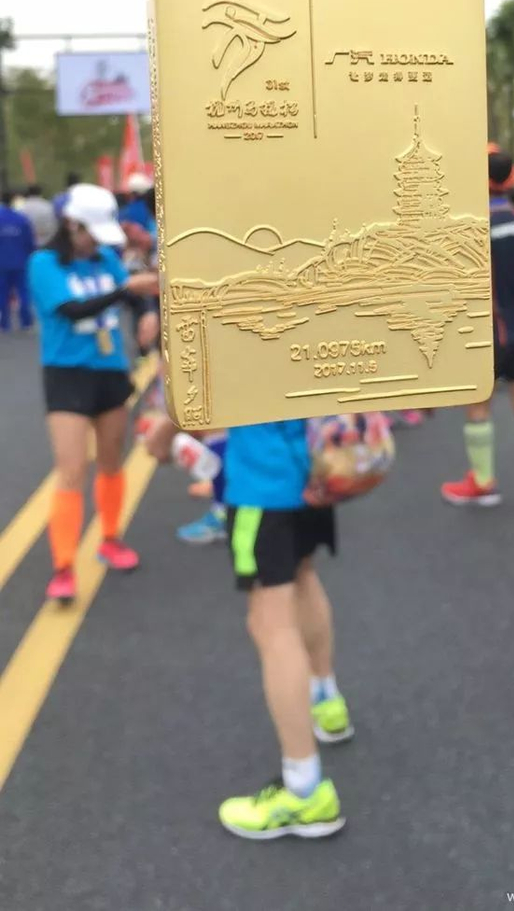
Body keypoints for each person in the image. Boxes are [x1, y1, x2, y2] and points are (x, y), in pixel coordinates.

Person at [144, 414, 351, 840]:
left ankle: (305, 790)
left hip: (262, 482)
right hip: (312, 470)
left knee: (270, 624)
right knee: (304, 576)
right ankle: (326, 702)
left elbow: (201, 387)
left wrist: (162, 434)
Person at [29, 183, 159, 602]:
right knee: (71, 470)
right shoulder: (44, 263)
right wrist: (127, 291)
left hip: (110, 370)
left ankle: (110, 538)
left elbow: (134, 298)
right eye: (89, 233)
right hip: (67, 374)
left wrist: (146, 314)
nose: (96, 243)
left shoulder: (106, 258)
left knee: (111, 462)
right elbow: (73, 310)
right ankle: (64, 565)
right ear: (71, 224)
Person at [441, 149, 514, 512]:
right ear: (511, 179)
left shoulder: (463, 227)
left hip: (480, 333)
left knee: (479, 407)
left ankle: (483, 482)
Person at [0, 188, 34, 332]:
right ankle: (25, 321)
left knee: (3, 293)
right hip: (21, 261)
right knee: (23, 292)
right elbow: (29, 242)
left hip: (2, 263)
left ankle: (4, 322)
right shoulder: (21, 219)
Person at [23, 183, 58, 249]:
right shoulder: (48, 206)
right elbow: (54, 226)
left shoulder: (22, 208)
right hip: (46, 242)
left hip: (29, 244)